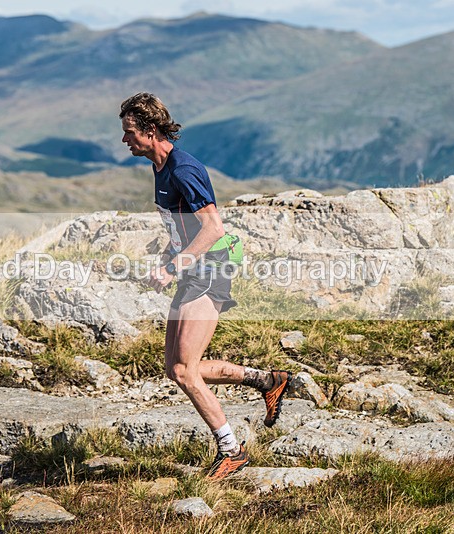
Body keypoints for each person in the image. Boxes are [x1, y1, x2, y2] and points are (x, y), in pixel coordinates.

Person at [119, 92, 292, 481]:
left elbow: (214, 228)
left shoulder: (183, 169)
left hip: (210, 270)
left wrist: (174, 266)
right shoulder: (159, 167)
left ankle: (232, 451)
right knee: (177, 367)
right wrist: (168, 261)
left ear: (150, 130)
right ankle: (267, 380)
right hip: (191, 271)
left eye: (129, 132)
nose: (124, 140)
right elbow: (184, 227)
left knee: (184, 369)